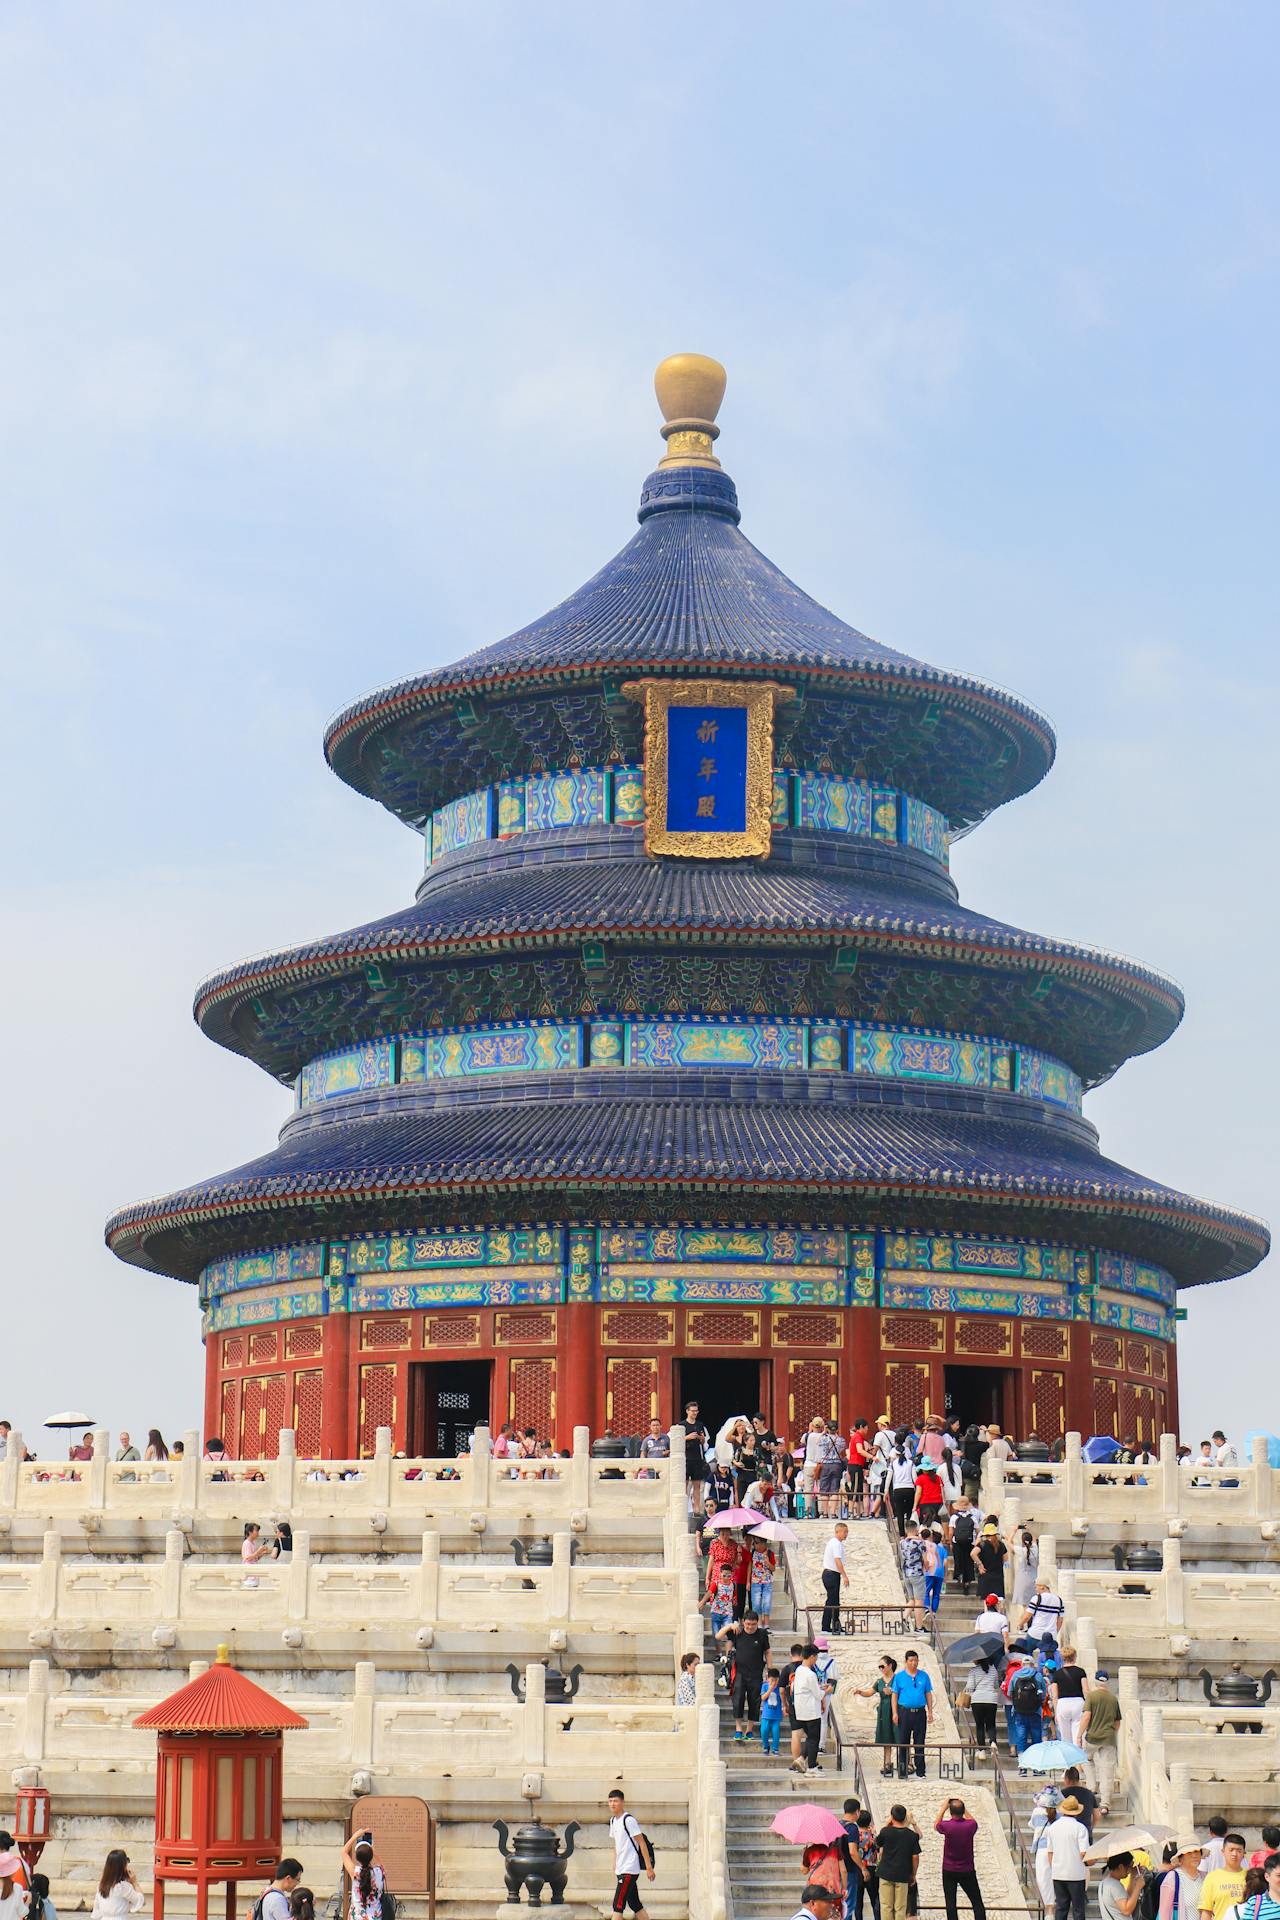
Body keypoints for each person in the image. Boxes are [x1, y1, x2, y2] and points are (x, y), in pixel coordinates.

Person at [717, 1610, 769, 1741]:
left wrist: (770, 1669)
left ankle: (749, 1730)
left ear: (757, 1623)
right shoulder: (737, 1632)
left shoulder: (762, 1634)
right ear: (743, 1623)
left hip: (756, 1673)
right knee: (738, 1700)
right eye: (747, 1624)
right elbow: (718, 1636)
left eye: (753, 1624)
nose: (750, 1627)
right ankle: (738, 1729)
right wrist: (730, 1626)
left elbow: (767, 1652)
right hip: (739, 1673)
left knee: (754, 1701)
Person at [605, 1789, 653, 1920]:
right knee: (635, 1904)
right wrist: (614, 1862)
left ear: (622, 1802)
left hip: (629, 1869)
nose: (612, 1804)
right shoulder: (613, 1821)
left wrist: (649, 1868)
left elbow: (641, 1843)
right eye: (610, 1801)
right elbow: (616, 1844)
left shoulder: (629, 1820)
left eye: (615, 1801)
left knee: (618, 1905)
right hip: (621, 1868)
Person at [935, 1798, 985, 1920]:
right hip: (967, 1869)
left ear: (950, 1812)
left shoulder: (947, 1826)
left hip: (949, 1868)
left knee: (951, 1902)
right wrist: (964, 1808)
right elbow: (973, 1820)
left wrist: (943, 1808)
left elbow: (936, 1825)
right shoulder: (970, 1825)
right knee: (976, 1901)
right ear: (962, 1811)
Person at [1079, 1669, 1122, 1812]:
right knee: (1107, 1771)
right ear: (1107, 1683)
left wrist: (1079, 1735)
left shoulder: (1091, 1697)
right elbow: (1117, 1723)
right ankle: (1105, 1804)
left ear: (1096, 1681)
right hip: (1109, 1738)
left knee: (1086, 1760)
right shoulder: (1113, 1699)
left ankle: (1091, 1787)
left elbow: (1086, 1717)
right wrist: (1110, 1732)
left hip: (1092, 1737)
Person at [1044, 1795, 1090, 1920]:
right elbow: (1083, 1853)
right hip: (1076, 1874)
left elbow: (1050, 1852)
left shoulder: (1053, 1828)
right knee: (1078, 1910)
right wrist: (1092, 1861)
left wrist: (1054, 1868)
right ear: (1076, 1812)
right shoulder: (1080, 1828)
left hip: (1058, 1874)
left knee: (1061, 1908)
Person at [890, 1648, 933, 1779]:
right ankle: (902, 1770)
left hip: (920, 1712)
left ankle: (921, 1771)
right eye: (911, 1660)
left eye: (916, 1660)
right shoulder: (899, 1677)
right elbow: (894, 1695)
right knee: (903, 1742)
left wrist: (930, 1711)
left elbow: (928, 1693)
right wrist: (895, 1713)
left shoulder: (924, 1676)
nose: (914, 1663)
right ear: (906, 1661)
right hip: (904, 1713)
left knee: (919, 1742)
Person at [852, 1654, 898, 1777]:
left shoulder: (898, 1679)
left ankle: (906, 1762)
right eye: (879, 1667)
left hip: (897, 1710)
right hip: (884, 1711)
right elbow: (870, 1692)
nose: (881, 1669)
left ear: (890, 1665)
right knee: (886, 1736)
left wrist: (893, 1692)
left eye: (882, 1666)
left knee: (900, 1735)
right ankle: (887, 1762)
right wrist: (860, 1692)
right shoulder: (879, 1681)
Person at [874, 1804, 920, 1920]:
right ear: (905, 1818)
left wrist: (887, 1824)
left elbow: (877, 1843)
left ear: (892, 1816)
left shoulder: (886, 1831)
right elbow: (915, 1857)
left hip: (886, 1873)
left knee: (886, 1906)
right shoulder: (912, 1836)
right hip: (903, 1874)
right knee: (900, 1907)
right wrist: (913, 1874)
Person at [790, 1643, 828, 1773]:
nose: (816, 1659)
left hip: (800, 1711)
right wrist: (827, 1690)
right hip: (811, 1711)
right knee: (814, 1739)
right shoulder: (810, 1674)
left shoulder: (799, 1670)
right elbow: (818, 1695)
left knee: (810, 1737)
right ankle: (812, 1767)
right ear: (811, 1656)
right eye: (816, 1657)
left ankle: (801, 1759)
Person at [1198, 1836, 1247, 1920]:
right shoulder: (1212, 1877)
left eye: (1239, 1851)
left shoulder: (1250, 1877)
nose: (1234, 1854)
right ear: (1223, 1852)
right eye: (1231, 1850)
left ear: (1243, 1854)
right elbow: (1206, 1911)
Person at [1049, 1646, 1088, 1749]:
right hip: (1078, 1702)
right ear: (1074, 1657)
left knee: (1065, 1738)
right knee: (1077, 1736)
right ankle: (1078, 1761)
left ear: (1063, 1658)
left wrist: (1056, 1711)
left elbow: (1055, 1695)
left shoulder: (1057, 1674)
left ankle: (1069, 1762)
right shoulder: (1081, 1672)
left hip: (1063, 1703)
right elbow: (1086, 1691)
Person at [1158, 1837, 1206, 1919]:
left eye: (1197, 1851)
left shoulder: (1205, 1877)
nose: (1194, 1855)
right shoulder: (1172, 1878)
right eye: (1189, 1852)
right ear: (1180, 1857)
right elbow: (1164, 1914)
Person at [342, 1833, 386, 1920]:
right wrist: (373, 1851)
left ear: (357, 1857)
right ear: (371, 1855)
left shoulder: (355, 1872)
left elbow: (344, 1852)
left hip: (357, 1916)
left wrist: (355, 1836)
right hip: (375, 1916)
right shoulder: (379, 1872)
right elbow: (382, 1865)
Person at [964, 1657, 1001, 1755]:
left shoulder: (973, 1670)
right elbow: (996, 1685)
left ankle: (982, 1750)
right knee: (991, 1724)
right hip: (991, 1700)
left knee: (979, 1725)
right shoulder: (993, 1669)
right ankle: (993, 1743)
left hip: (977, 1700)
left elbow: (970, 1687)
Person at [92, 1853, 144, 1920]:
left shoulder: (101, 1885)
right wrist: (135, 1883)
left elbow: (96, 1909)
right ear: (123, 1866)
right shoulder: (123, 1886)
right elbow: (139, 1900)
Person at [682, 1402, 710, 1513]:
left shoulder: (699, 1424)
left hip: (697, 1458)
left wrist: (700, 1438)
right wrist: (687, 1437)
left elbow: (704, 1442)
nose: (694, 1413)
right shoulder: (681, 1425)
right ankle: (683, 1508)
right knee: (685, 1485)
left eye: (696, 1411)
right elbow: (676, 1440)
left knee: (697, 1485)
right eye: (692, 1410)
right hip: (686, 1458)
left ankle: (697, 1508)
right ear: (687, 1411)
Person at [1021, 1579, 1065, 1647]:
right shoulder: (1059, 1600)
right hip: (1050, 1635)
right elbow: (1060, 1620)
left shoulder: (1036, 1598)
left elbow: (1027, 1616)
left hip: (1035, 1633)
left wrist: (1020, 1624)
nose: (1035, 1589)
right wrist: (1055, 1632)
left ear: (1042, 1587)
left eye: (1036, 1587)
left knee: (1026, 1652)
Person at [823, 1522, 850, 1633]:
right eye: (844, 1532)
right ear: (837, 1532)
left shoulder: (835, 1543)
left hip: (832, 1574)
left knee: (834, 1601)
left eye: (847, 1532)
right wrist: (844, 1575)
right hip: (831, 1574)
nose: (846, 1534)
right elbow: (837, 1560)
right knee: (832, 1601)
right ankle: (826, 1625)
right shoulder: (836, 1543)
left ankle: (835, 1624)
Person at [1099, 1854, 1144, 1920]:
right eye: (1129, 1867)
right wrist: (1138, 1887)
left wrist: (1132, 1876)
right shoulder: (1114, 1885)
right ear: (1121, 1867)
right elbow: (1126, 1910)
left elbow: (1125, 1898)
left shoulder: (1104, 1882)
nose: (1130, 1870)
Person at [899, 1522, 926, 1630]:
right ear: (916, 1529)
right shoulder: (920, 1542)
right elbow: (926, 1559)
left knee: (911, 1599)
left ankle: (904, 1617)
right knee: (919, 1601)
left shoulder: (902, 1542)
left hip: (906, 1572)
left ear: (906, 1530)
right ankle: (919, 1627)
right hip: (917, 1572)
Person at [949, 1496, 977, 1594]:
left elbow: (951, 1531)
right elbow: (977, 1531)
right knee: (968, 1562)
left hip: (957, 1542)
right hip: (970, 1542)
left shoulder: (954, 1517)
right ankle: (967, 1581)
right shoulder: (972, 1517)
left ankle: (959, 1575)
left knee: (959, 1560)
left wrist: (950, 1542)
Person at [1009, 1527, 1039, 1611]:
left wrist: (1014, 1530)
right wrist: (1029, 1528)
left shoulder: (1021, 1550)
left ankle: (1025, 1622)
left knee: (1025, 1605)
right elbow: (1034, 1539)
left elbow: (1009, 1542)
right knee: (1033, 1603)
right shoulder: (1035, 1550)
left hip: (1022, 1578)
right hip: (1034, 1577)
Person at [760, 1667, 784, 1754]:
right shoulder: (765, 1686)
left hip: (776, 1715)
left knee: (776, 1731)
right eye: (772, 1680)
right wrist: (770, 1689)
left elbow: (782, 1698)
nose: (774, 1682)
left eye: (776, 1680)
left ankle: (775, 1748)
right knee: (764, 1730)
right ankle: (766, 1746)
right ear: (767, 1679)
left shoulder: (780, 1688)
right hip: (766, 1714)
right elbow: (763, 1698)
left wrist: (784, 1707)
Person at [923, 1529, 947, 1616]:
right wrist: (945, 1575)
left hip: (929, 1571)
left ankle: (926, 1608)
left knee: (926, 1591)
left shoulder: (930, 1547)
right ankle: (933, 1611)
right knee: (936, 1594)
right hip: (940, 1573)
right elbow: (945, 1563)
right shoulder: (943, 1550)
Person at [241, 1522, 273, 1588]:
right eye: (256, 1530)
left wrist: (262, 1553)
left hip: (253, 1574)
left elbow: (254, 1558)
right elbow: (247, 1558)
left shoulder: (252, 1543)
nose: (258, 1533)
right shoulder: (247, 1543)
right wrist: (259, 1551)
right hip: (249, 1575)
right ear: (250, 1532)